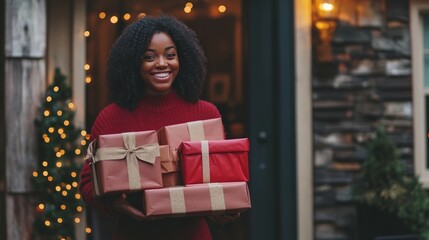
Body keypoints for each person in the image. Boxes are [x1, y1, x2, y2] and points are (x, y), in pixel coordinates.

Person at [79, 15, 239, 240]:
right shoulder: (111, 118)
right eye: (149, 57)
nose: (162, 63)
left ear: (183, 58)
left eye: (170, 55)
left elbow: (221, 179)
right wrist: (116, 206)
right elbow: (87, 184)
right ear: (133, 62)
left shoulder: (206, 115)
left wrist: (225, 208)